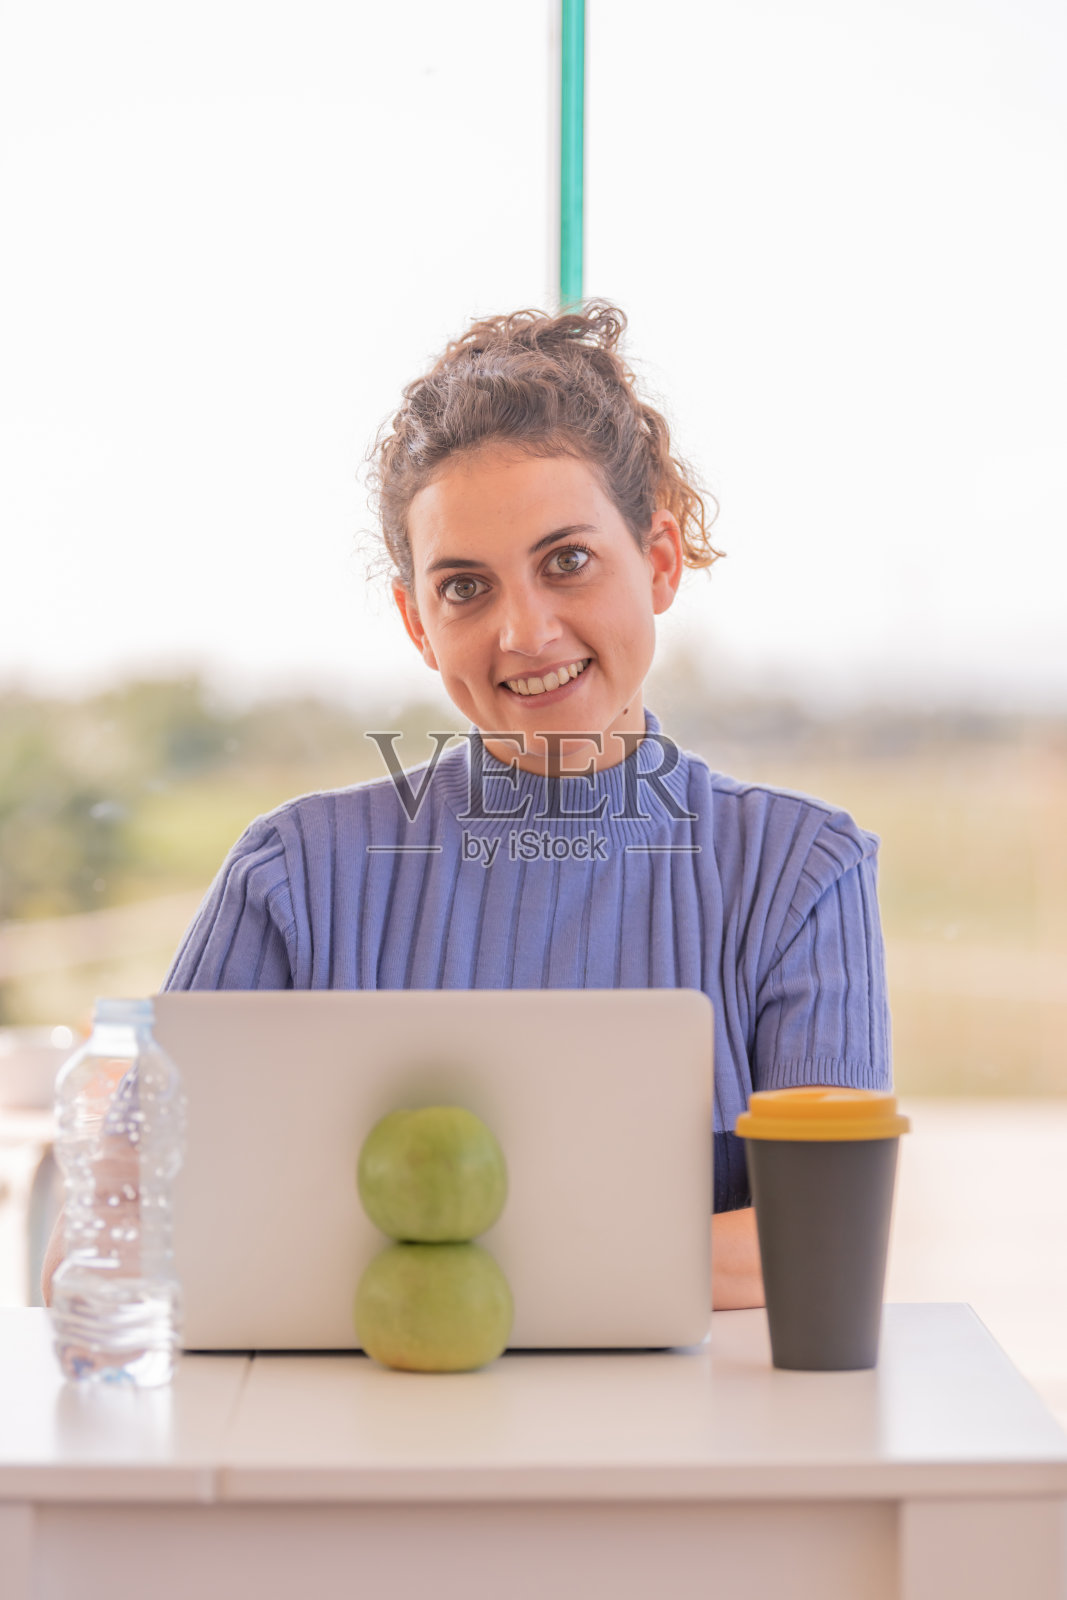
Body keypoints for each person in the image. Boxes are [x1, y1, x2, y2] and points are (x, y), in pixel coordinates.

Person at [43, 303, 891, 1309]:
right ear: (416, 621)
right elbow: (102, 1247)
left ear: (657, 561)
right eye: (463, 587)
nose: (524, 630)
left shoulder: (797, 873)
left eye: (566, 560)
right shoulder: (293, 878)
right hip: (357, 1451)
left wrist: (425, 1251)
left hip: (681, 1461)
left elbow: (825, 1242)